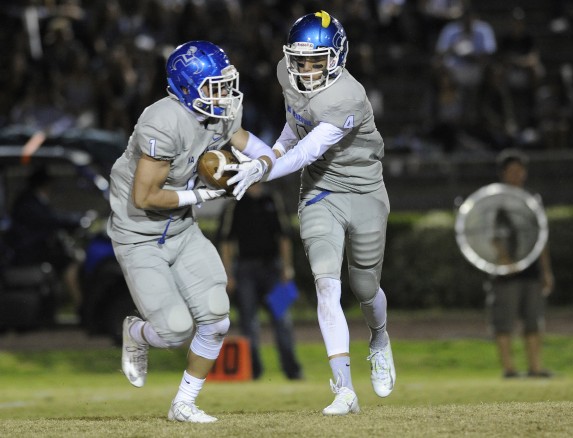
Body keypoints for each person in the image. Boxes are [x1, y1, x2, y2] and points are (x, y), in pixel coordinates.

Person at [227, 10, 395, 416]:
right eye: (299, 59)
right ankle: (343, 389)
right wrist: (271, 154)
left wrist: (263, 166)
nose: (305, 69)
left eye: (315, 60)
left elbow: (309, 149)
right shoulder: (288, 74)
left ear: (337, 56)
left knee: (365, 290)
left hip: (365, 191)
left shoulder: (347, 96)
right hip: (320, 190)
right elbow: (294, 131)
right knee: (326, 283)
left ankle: (380, 338)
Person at [107, 40, 276, 423]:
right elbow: (145, 196)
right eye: (213, 86)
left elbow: (247, 141)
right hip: (139, 234)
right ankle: (137, 333)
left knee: (217, 318)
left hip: (181, 229)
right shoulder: (163, 121)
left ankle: (184, 403)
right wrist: (200, 194)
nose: (225, 94)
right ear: (186, 88)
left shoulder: (221, 111)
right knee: (174, 331)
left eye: (226, 83)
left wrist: (264, 164)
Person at [217, 183, 303, 380]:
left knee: (283, 320)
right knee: (249, 323)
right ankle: (253, 371)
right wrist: (228, 274)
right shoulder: (234, 203)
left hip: (273, 269)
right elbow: (226, 241)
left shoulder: (273, 199)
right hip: (245, 271)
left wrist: (287, 267)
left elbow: (283, 236)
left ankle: (292, 371)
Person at [488, 149, 555, 379]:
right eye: (512, 171)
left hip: (532, 271)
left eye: (520, 170)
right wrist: (506, 261)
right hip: (505, 272)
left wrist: (546, 271)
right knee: (504, 321)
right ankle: (509, 369)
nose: (517, 175)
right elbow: (489, 236)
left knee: (534, 320)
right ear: (502, 174)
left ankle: (535, 368)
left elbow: (541, 237)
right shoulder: (494, 201)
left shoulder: (533, 200)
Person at [6, 166, 86, 314]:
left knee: (66, 258)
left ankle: (69, 302)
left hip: (33, 247)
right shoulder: (30, 203)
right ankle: (78, 304)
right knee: (69, 263)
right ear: (44, 184)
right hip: (29, 250)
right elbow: (51, 220)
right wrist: (76, 221)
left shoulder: (30, 199)